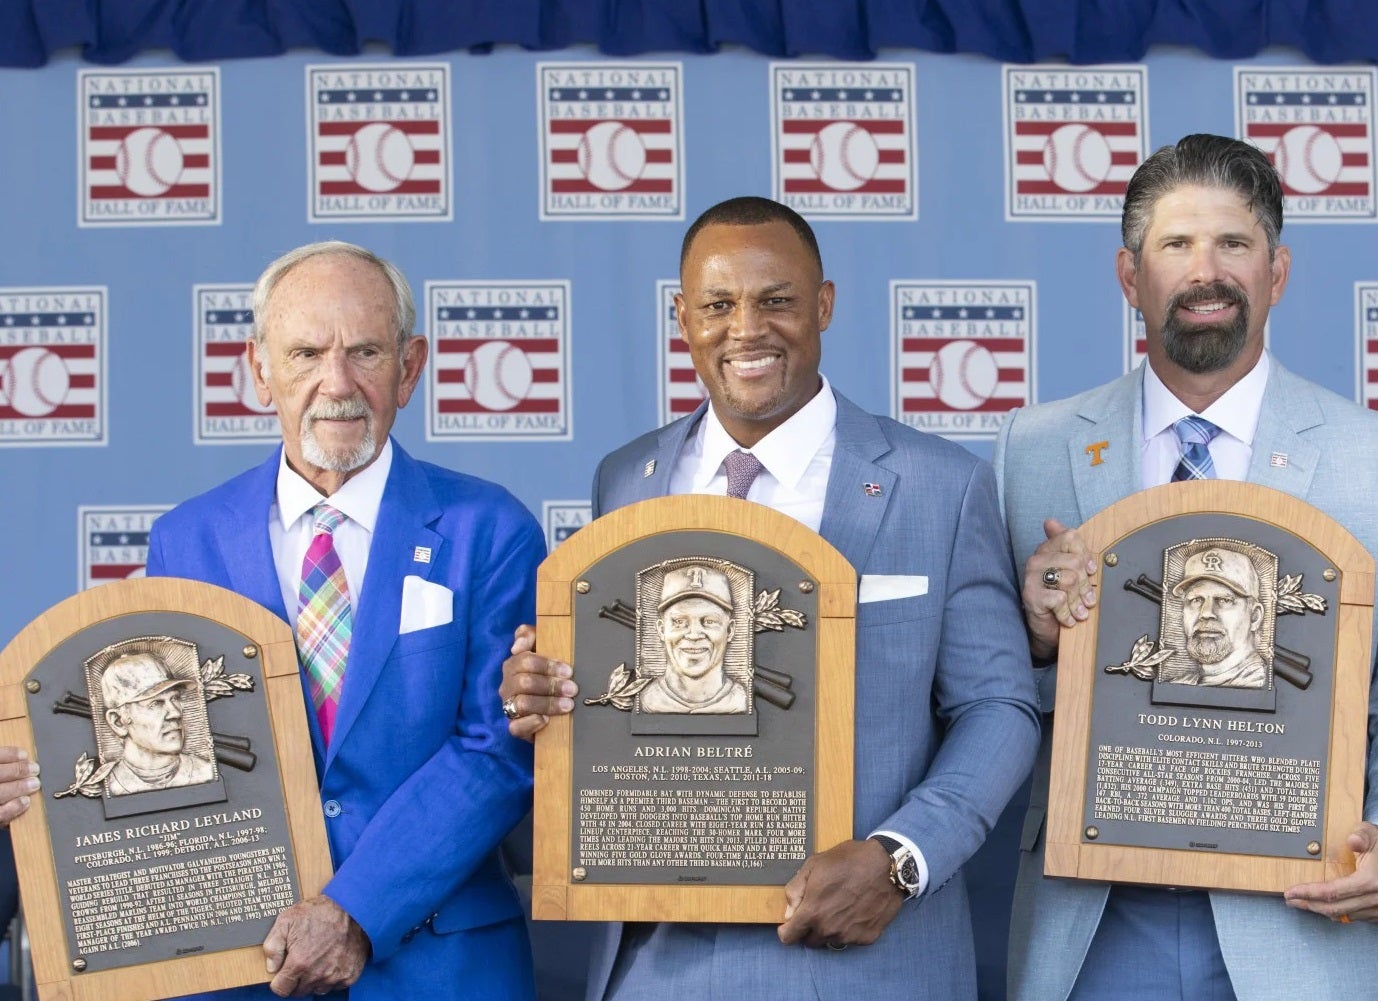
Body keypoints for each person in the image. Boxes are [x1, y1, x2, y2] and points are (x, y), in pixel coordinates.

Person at [498, 196, 1040, 1000]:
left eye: (775, 300)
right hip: (657, 958)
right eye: (717, 305)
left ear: (821, 304)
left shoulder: (939, 484)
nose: (746, 329)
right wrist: (542, 691)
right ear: (682, 318)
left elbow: (999, 705)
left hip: (862, 958)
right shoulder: (626, 478)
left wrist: (901, 855)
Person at [997, 134, 1378, 1001]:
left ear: (1276, 272)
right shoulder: (1034, 449)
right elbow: (981, 694)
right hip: (1094, 922)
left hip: (1302, 922)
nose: (1204, 271)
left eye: (1232, 244)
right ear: (1130, 277)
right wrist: (1028, 632)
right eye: (1175, 245)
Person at [143, 240, 543, 1000]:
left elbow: (499, 750)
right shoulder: (185, 539)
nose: (336, 383)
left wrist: (354, 910)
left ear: (411, 365)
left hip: (442, 965)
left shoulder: (490, 528)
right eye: (305, 353)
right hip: (243, 966)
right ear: (260, 369)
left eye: (364, 350)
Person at [96, 649, 218, 794]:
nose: (175, 713)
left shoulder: (206, 772)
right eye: (155, 703)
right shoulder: (107, 787)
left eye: (175, 698)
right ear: (118, 722)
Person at [641, 562, 747, 715]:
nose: (694, 634)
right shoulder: (647, 700)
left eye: (709, 621)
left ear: (730, 630)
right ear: (661, 629)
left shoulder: (740, 701)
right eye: (679, 622)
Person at [1170, 544, 1269, 689]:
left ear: (1255, 616)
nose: (1206, 613)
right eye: (1196, 600)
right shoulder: (1177, 686)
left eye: (1224, 600)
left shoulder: (1260, 683)